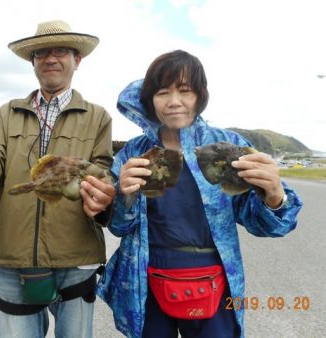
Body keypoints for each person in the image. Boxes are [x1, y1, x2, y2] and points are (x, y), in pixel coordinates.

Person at [96, 50, 303, 338]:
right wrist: (124, 195)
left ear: (200, 96)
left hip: (214, 281)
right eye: (162, 92)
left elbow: (268, 225)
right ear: (150, 100)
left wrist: (274, 195)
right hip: (146, 281)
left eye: (185, 91)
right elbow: (119, 226)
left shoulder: (228, 145)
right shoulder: (133, 152)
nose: (174, 102)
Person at [0, 20, 116, 338]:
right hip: (13, 261)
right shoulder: (8, 114)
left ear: (77, 60)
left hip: (77, 259)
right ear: (33, 61)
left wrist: (103, 198)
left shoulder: (97, 117)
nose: (50, 58)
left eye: (61, 51)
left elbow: (101, 170)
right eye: (41, 52)